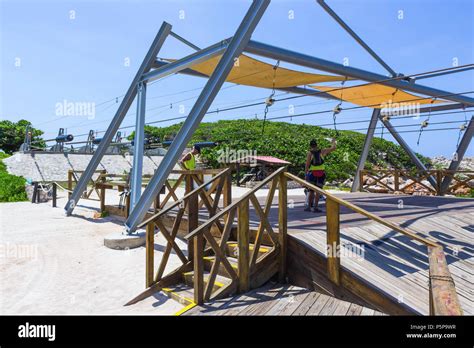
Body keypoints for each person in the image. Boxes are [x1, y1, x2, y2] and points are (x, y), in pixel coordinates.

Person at [304, 138, 336, 212]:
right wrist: (333, 142)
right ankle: (316, 207)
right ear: (317, 145)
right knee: (318, 191)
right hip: (321, 173)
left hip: (312, 173)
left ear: (310, 146)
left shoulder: (310, 153)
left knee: (311, 191)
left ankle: (309, 207)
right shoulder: (322, 151)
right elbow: (333, 148)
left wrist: (306, 174)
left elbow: (307, 164)